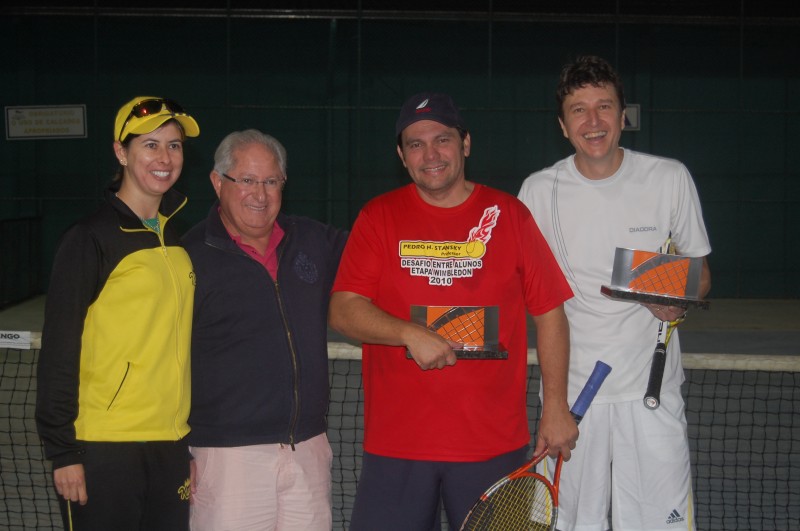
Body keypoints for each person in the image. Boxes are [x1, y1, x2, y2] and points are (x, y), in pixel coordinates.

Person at [328, 92, 577, 530]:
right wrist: (409, 333)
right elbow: (343, 309)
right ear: (402, 156)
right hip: (398, 446)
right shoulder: (378, 217)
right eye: (416, 144)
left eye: (442, 139)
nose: (430, 155)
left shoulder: (510, 215)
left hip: (493, 445)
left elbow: (550, 313)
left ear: (465, 143)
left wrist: (556, 406)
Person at [518, 55, 712, 531]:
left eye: (604, 106)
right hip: (571, 401)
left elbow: (700, 275)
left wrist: (674, 298)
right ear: (562, 126)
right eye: (579, 110)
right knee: (568, 525)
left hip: (651, 393)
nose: (594, 121)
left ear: (623, 116)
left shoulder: (669, 178)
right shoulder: (538, 191)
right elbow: (527, 294)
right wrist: (554, 405)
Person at [35, 96, 200, 530]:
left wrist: (185, 442)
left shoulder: (177, 241)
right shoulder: (88, 238)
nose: (165, 158)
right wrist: (63, 452)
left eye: (174, 146)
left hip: (169, 443)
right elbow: (58, 350)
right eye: (150, 145)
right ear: (121, 153)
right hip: (104, 446)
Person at [182, 129, 348, 530]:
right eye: (247, 180)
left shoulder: (314, 240)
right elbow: (163, 365)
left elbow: (383, 254)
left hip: (307, 450)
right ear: (218, 182)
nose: (260, 194)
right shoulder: (186, 256)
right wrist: (175, 454)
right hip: (228, 458)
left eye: (271, 181)